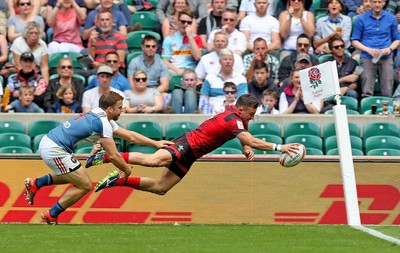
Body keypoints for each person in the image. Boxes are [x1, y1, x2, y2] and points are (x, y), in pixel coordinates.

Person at [86, 94, 299, 198]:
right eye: (251, 114)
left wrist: (245, 148)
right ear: (241, 109)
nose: (252, 118)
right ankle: (102, 157)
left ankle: (117, 181)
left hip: (192, 154)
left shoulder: (239, 119)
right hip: (187, 143)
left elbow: (245, 139)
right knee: (153, 161)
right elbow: (250, 138)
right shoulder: (232, 118)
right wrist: (280, 147)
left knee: (161, 188)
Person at [24, 90, 173, 225]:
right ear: (110, 109)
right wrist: (127, 170)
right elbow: (114, 156)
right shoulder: (103, 123)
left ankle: (36, 183)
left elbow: (130, 136)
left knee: (74, 176)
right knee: (85, 185)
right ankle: (51, 215)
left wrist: (155, 143)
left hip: (52, 144)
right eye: (119, 107)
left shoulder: (99, 115)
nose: (122, 110)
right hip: (55, 149)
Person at [351, 0, 400, 97]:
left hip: (386, 57)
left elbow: (397, 40)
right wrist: (367, 49)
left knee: (387, 91)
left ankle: (387, 111)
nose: (377, 4)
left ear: (384, 3)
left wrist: (389, 49)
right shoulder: (361, 19)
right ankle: (368, 110)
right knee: (367, 91)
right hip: (367, 56)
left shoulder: (391, 18)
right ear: (371, 3)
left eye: (379, 2)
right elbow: (354, 41)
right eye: (374, 2)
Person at [199, 48, 248, 114]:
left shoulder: (241, 79)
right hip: (212, 113)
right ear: (220, 62)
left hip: (233, 114)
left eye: (230, 59)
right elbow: (203, 100)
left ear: (233, 62)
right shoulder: (210, 77)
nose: (228, 62)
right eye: (225, 59)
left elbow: (243, 102)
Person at [162, 9, 204, 75]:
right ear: (178, 21)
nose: (186, 24)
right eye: (183, 22)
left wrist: (190, 37)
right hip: (174, 70)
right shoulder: (169, 38)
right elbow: (165, 61)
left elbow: (197, 57)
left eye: (189, 22)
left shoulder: (196, 38)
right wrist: (178, 70)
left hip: (191, 70)